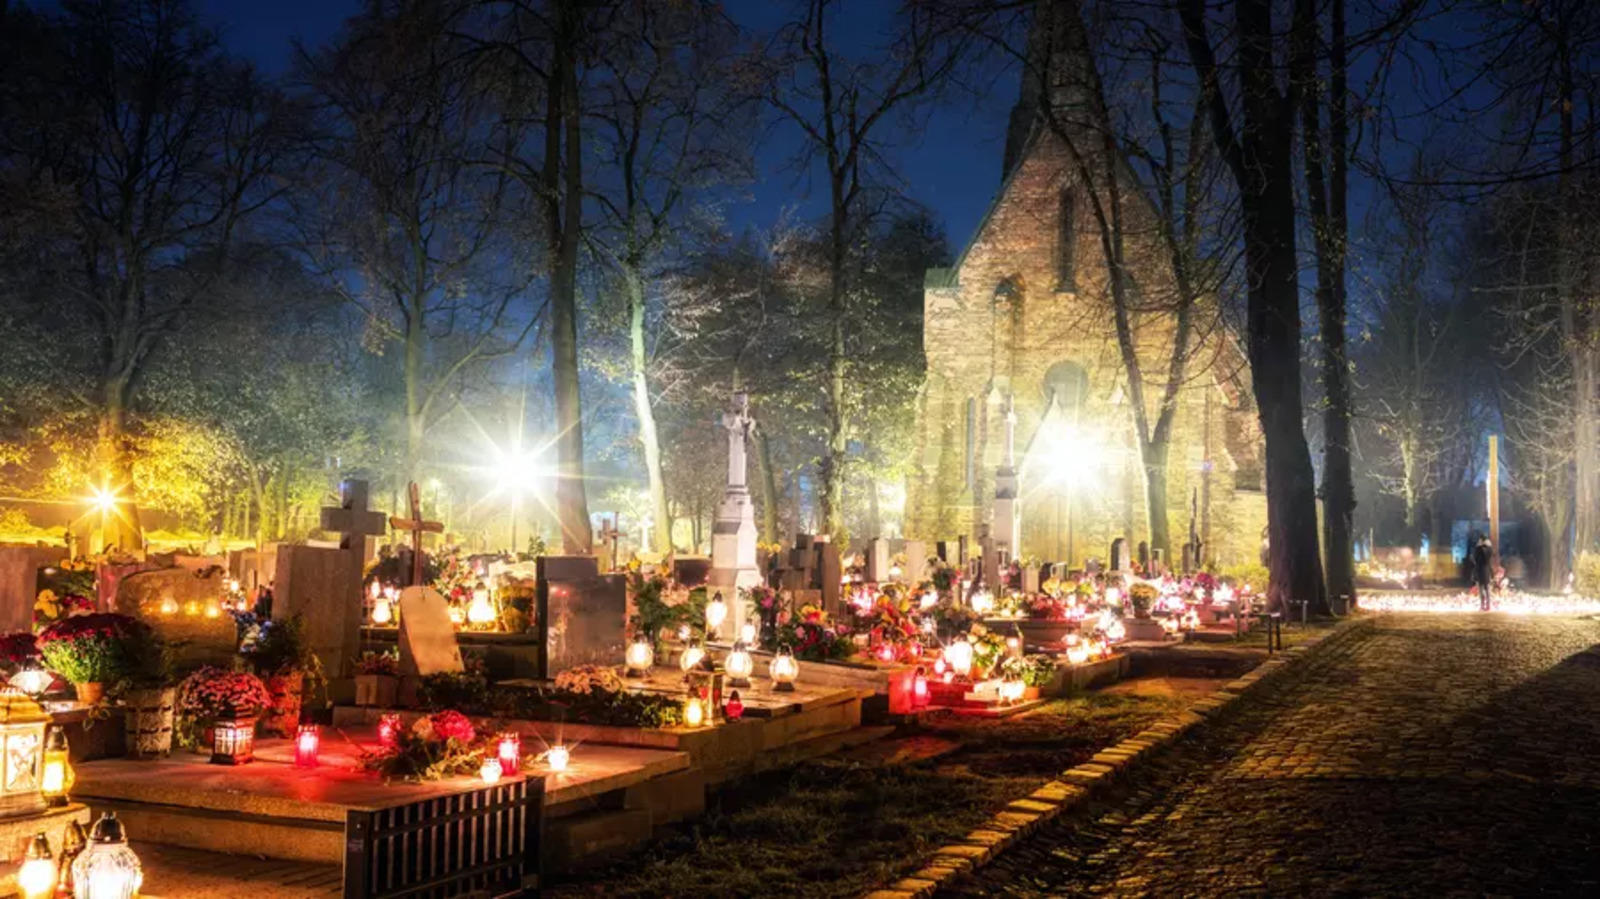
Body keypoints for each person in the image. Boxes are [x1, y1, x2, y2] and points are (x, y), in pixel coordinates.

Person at [1470, 536, 1495, 611]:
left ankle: (1482, 605)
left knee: (1481, 589)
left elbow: (1476, 560)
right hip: (1487, 570)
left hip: (1480, 570)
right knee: (1487, 589)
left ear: (1481, 540)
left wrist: (1472, 558)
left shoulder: (1479, 549)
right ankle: (1488, 606)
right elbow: (1488, 560)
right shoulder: (1490, 549)